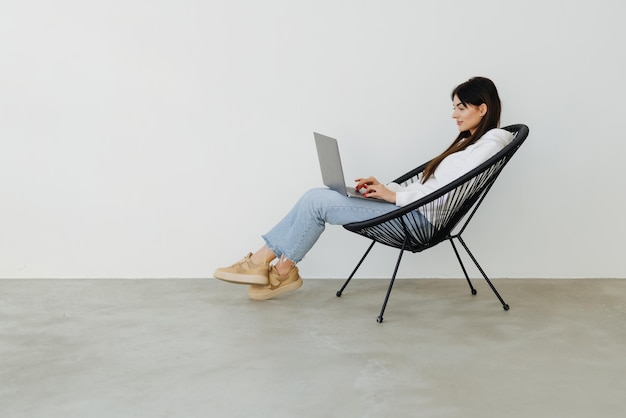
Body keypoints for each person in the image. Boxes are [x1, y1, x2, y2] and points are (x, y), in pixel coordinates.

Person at [214, 76, 514, 301]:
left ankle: (265, 264)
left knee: (316, 201)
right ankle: (280, 269)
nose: (454, 114)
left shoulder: (489, 145)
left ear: (482, 108)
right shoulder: (472, 144)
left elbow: (447, 193)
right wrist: (385, 188)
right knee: (317, 196)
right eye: (454, 107)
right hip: (409, 208)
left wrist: (394, 197)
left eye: (461, 107)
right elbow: (431, 185)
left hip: (416, 218)